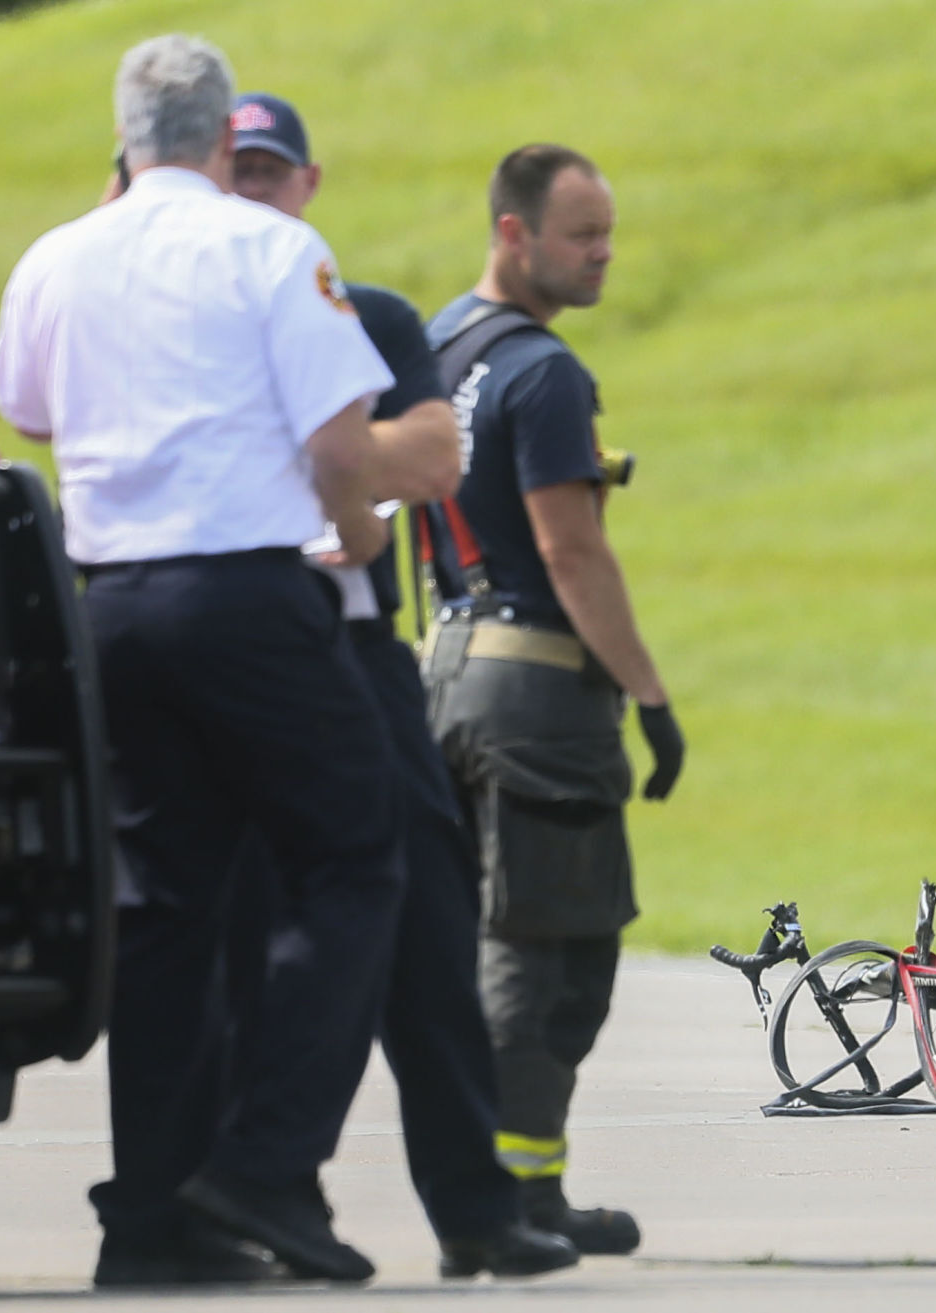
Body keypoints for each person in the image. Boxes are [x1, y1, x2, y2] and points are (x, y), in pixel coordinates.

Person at [0, 34, 405, 1287]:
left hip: (108, 605)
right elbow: (340, 446)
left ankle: (155, 1215)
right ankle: (268, 1161)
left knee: (164, 906)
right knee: (354, 851)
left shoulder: (59, 255)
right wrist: (365, 535)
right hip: (243, 591)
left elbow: (28, 408)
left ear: (124, 142)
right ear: (229, 141)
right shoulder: (272, 246)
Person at [226, 91, 577, 1281]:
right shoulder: (199, 330)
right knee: (286, 922)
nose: (254, 191)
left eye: (273, 172)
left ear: (309, 186)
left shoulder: (363, 315)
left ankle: (476, 1204)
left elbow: (434, 459)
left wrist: (314, 458)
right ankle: (273, 1185)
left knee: (430, 917)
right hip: (252, 648)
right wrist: (337, 464)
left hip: (357, 649)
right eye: (235, 170)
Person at [420, 144, 685, 1255]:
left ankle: (516, 1182)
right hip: (538, 692)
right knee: (551, 949)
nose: (604, 253)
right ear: (512, 233)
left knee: (485, 937)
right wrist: (650, 694)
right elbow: (572, 551)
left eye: (608, 231)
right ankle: (511, 1195)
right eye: (582, 234)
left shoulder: (440, 346)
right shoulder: (545, 374)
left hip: (446, 665)